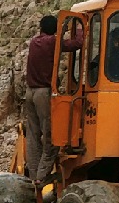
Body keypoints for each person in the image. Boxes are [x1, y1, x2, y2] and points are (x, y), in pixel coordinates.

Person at [23, 14, 82, 182]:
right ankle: (41, 176)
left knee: (33, 136)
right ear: (55, 30)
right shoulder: (52, 42)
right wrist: (79, 28)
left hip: (30, 92)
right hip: (43, 93)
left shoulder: (34, 42)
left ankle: (33, 174)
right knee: (51, 135)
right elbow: (76, 44)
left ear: (41, 28)